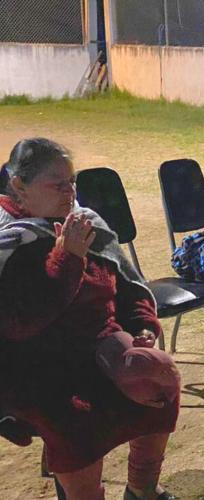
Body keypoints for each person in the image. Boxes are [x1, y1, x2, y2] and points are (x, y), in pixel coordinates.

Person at [0, 139, 180, 500]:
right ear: (20, 186)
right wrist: (67, 258)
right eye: (58, 185)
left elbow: (126, 286)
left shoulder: (84, 223)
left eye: (72, 182)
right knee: (77, 418)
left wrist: (143, 326)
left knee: (158, 382)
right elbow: (21, 323)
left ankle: (142, 488)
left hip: (101, 346)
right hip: (36, 364)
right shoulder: (9, 241)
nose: (70, 192)